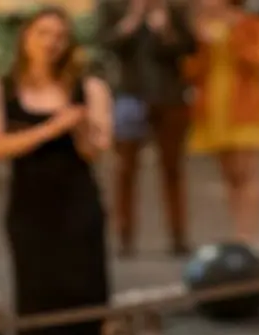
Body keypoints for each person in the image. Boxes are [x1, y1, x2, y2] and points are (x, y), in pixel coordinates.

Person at [0, 7, 113, 335]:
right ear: (25, 37)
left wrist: (81, 127)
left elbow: (96, 150)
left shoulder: (89, 87)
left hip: (79, 198)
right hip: (30, 201)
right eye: (43, 33)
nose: (51, 42)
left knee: (79, 285)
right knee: (34, 288)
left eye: (59, 35)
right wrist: (53, 127)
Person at [96, 0, 196, 257]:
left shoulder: (173, 7)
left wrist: (166, 31)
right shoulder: (113, 6)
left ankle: (178, 235)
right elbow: (106, 45)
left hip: (169, 97)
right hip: (130, 95)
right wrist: (129, 24)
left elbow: (189, 48)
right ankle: (125, 235)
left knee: (172, 168)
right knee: (125, 170)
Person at [184, 0, 259, 241]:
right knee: (229, 174)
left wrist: (231, 36)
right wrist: (201, 43)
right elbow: (190, 70)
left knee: (246, 171)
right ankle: (237, 231)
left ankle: (248, 234)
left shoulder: (255, 24)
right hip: (214, 107)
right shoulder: (200, 26)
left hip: (245, 106)